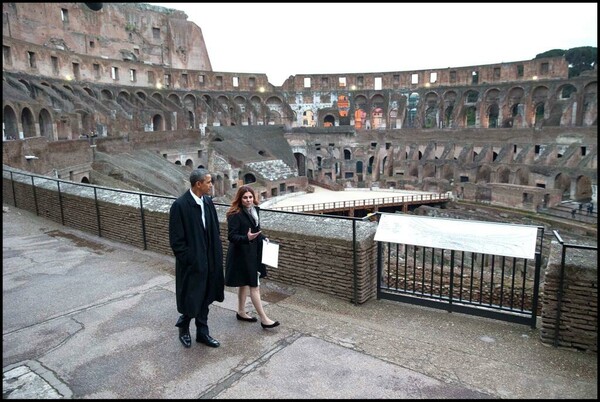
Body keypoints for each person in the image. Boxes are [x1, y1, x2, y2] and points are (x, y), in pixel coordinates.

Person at [169, 168, 224, 348]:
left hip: (209, 262)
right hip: (192, 265)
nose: (211, 185)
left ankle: (202, 333)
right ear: (198, 184)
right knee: (192, 298)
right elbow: (176, 241)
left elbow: (213, 230)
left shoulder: (207, 202)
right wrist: (191, 260)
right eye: (208, 182)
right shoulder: (180, 205)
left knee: (205, 298)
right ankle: (184, 327)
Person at [225, 186, 280, 329]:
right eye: (245, 197)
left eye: (250, 197)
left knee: (244, 284)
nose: (248, 200)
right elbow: (231, 236)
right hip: (242, 254)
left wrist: (263, 237)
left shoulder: (256, 210)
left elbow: (256, 230)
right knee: (254, 286)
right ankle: (264, 319)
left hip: (254, 252)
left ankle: (241, 312)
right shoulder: (234, 214)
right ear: (240, 198)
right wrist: (246, 238)